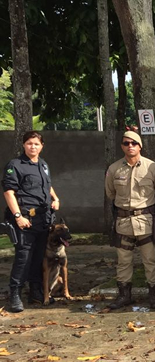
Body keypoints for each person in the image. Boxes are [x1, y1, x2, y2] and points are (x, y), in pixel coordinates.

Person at [104, 131, 155, 310]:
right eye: (126, 143)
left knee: (150, 259)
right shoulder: (114, 169)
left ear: (140, 146)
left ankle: (154, 295)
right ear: (122, 146)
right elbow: (110, 193)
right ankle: (124, 295)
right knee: (123, 260)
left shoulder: (152, 167)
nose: (130, 146)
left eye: (133, 143)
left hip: (145, 221)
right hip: (123, 222)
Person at [3, 131, 61, 313]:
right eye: (29, 143)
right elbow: (9, 192)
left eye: (36, 144)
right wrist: (18, 216)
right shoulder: (15, 165)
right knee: (23, 257)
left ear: (42, 146)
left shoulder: (43, 165)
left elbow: (47, 184)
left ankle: (35, 291)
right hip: (25, 218)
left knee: (38, 257)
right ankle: (15, 293)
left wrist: (55, 198)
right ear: (23, 145)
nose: (33, 147)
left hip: (43, 219)